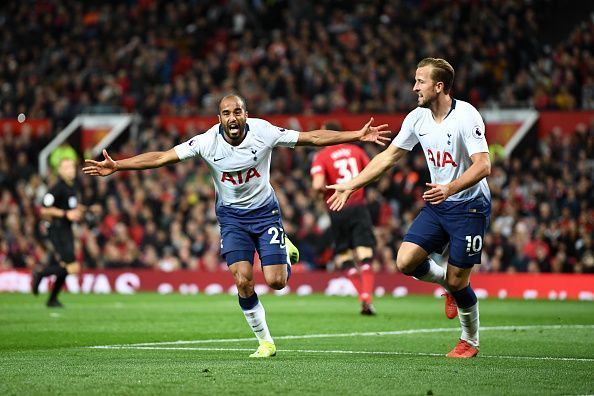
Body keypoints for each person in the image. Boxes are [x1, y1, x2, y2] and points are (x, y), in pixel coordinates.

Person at [83, 93, 390, 358]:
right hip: (231, 218)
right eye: (227, 112)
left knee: (276, 282)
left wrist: (354, 135)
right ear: (219, 117)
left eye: (238, 111)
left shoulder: (264, 131)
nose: (233, 117)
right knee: (242, 280)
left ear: (246, 114)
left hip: (266, 213)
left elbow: (311, 137)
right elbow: (163, 157)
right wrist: (118, 165)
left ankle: (283, 249)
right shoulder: (206, 142)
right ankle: (265, 341)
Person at [327, 58, 491, 358]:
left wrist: (450, 188)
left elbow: (484, 165)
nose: (414, 87)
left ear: (438, 86)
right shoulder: (417, 118)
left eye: (420, 81)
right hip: (438, 204)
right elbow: (388, 157)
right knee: (405, 262)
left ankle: (470, 340)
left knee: (459, 280)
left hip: (469, 206)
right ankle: (448, 286)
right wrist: (351, 185)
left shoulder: (466, 115)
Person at [310, 121, 377, 315]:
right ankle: (367, 296)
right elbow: (374, 171)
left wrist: (321, 194)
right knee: (364, 254)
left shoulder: (321, 156)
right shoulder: (355, 150)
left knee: (345, 255)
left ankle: (362, 297)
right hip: (358, 206)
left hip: (337, 208)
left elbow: (317, 185)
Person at [32, 158, 83, 307]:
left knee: (66, 266)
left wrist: (87, 209)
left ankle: (52, 299)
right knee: (72, 267)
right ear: (60, 171)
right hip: (57, 229)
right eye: (66, 167)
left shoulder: (72, 186)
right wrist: (65, 214)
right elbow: (43, 209)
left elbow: (71, 207)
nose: (70, 170)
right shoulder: (57, 188)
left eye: (72, 167)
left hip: (66, 230)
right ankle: (41, 274)